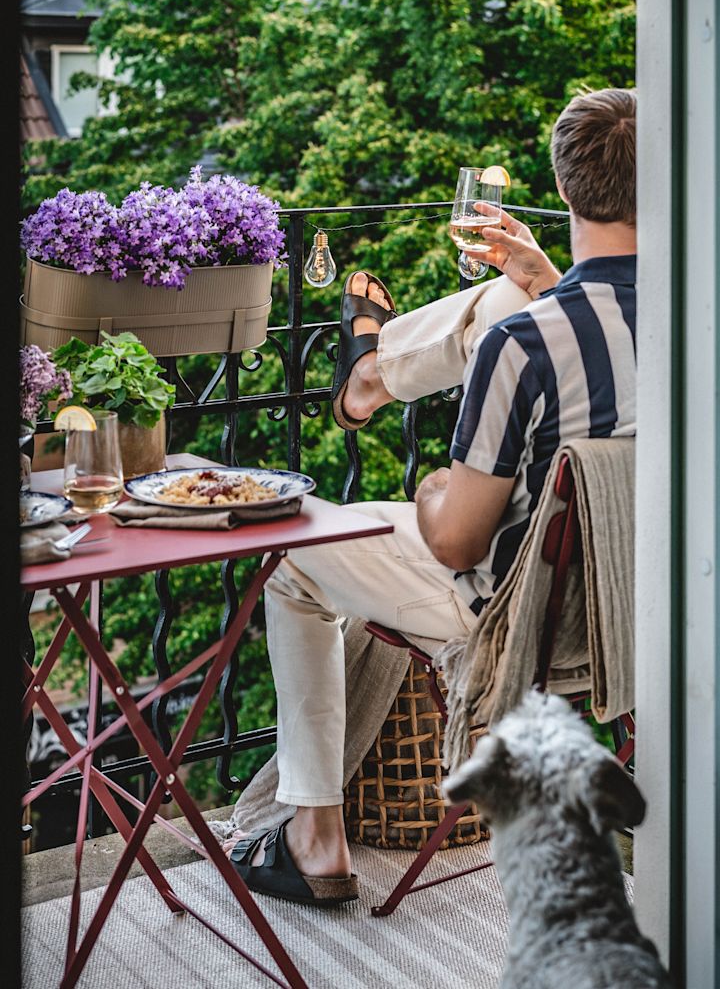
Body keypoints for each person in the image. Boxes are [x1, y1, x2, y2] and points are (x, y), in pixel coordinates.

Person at [224, 87, 637, 905]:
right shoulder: (695, 316)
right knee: (510, 294)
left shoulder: (524, 349)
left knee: (294, 561)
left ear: (561, 190)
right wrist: (542, 279)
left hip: (525, 626)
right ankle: (373, 373)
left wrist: (434, 484)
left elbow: (453, 542)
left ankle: (313, 834)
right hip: (636, 620)